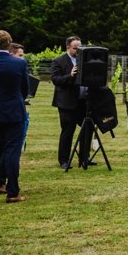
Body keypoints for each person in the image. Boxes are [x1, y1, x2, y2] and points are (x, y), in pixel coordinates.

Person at [0, 30, 30, 203]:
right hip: (13, 112)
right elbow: (25, 88)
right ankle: (12, 192)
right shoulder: (19, 64)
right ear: (8, 44)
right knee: (12, 152)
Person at [51, 36, 87, 169]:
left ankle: (84, 158)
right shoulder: (59, 61)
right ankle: (64, 160)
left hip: (83, 101)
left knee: (86, 129)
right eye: (75, 48)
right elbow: (56, 80)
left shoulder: (84, 60)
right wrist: (70, 75)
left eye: (80, 47)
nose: (78, 50)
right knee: (68, 131)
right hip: (67, 102)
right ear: (68, 47)